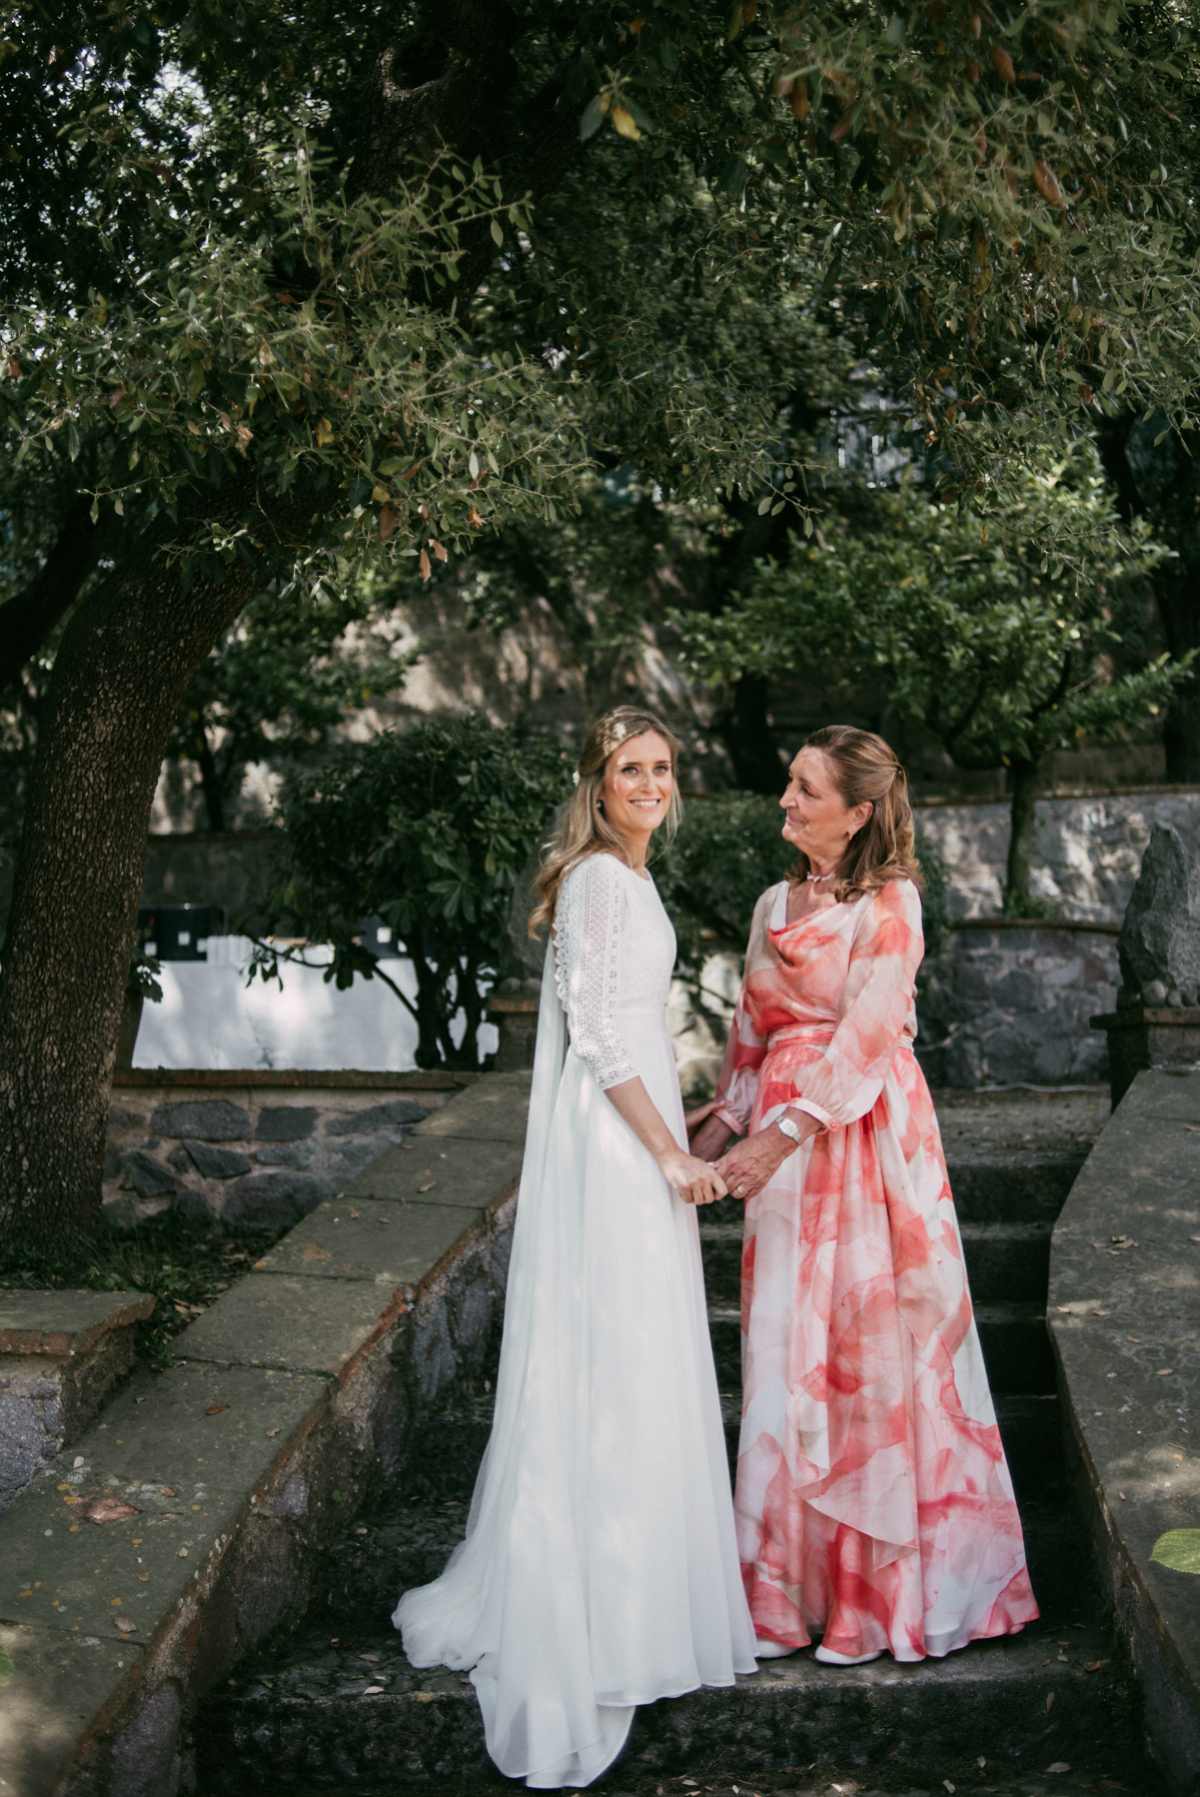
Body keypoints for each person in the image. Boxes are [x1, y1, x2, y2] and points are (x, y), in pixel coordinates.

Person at [395, 706, 757, 1789]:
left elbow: (631, 1028)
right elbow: (599, 1041)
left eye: (660, 767)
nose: (649, 783)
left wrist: (687, 1130)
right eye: (627, 769)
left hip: (639, 1148)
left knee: (639, 1367)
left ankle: (639, 1594)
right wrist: (670, 1157)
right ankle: (599, 1607)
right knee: (615, 1366)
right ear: (595, 787)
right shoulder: (602, 879)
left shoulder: (634, 881)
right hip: (614, 1159)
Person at [689, 725, 1038, 1666]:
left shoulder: (892, 901)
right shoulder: (772, 901)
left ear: (860, 809)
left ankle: (868, 1603)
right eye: (789, 786)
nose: (786, 802)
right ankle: (779, 1599)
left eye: (805, 789)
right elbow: (752, 1039)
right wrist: (707, 1136)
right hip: (781, 1150)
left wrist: (775, 1135)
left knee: (867, 1359)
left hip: (863, 1139)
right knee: (780, 1355)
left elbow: (870, 1036)